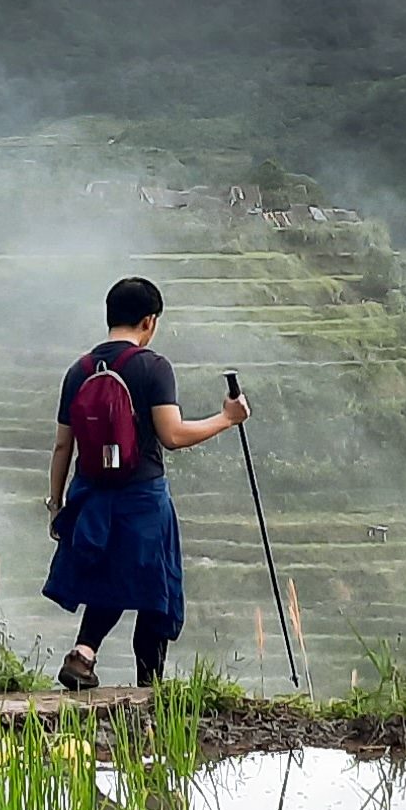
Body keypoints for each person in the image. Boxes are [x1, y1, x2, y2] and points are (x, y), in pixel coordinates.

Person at [41, 274, 248, 690]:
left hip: (91, 493)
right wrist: (227, 419)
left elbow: (63, 446)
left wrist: (57, 503)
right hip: (142, 496)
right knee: (158, 587)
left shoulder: (78, 371)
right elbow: (172, 435)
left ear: (109, 316)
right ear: (149, 321)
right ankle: (149, 686)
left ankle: (83, 655)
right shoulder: (153, 367)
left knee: (107, 576)